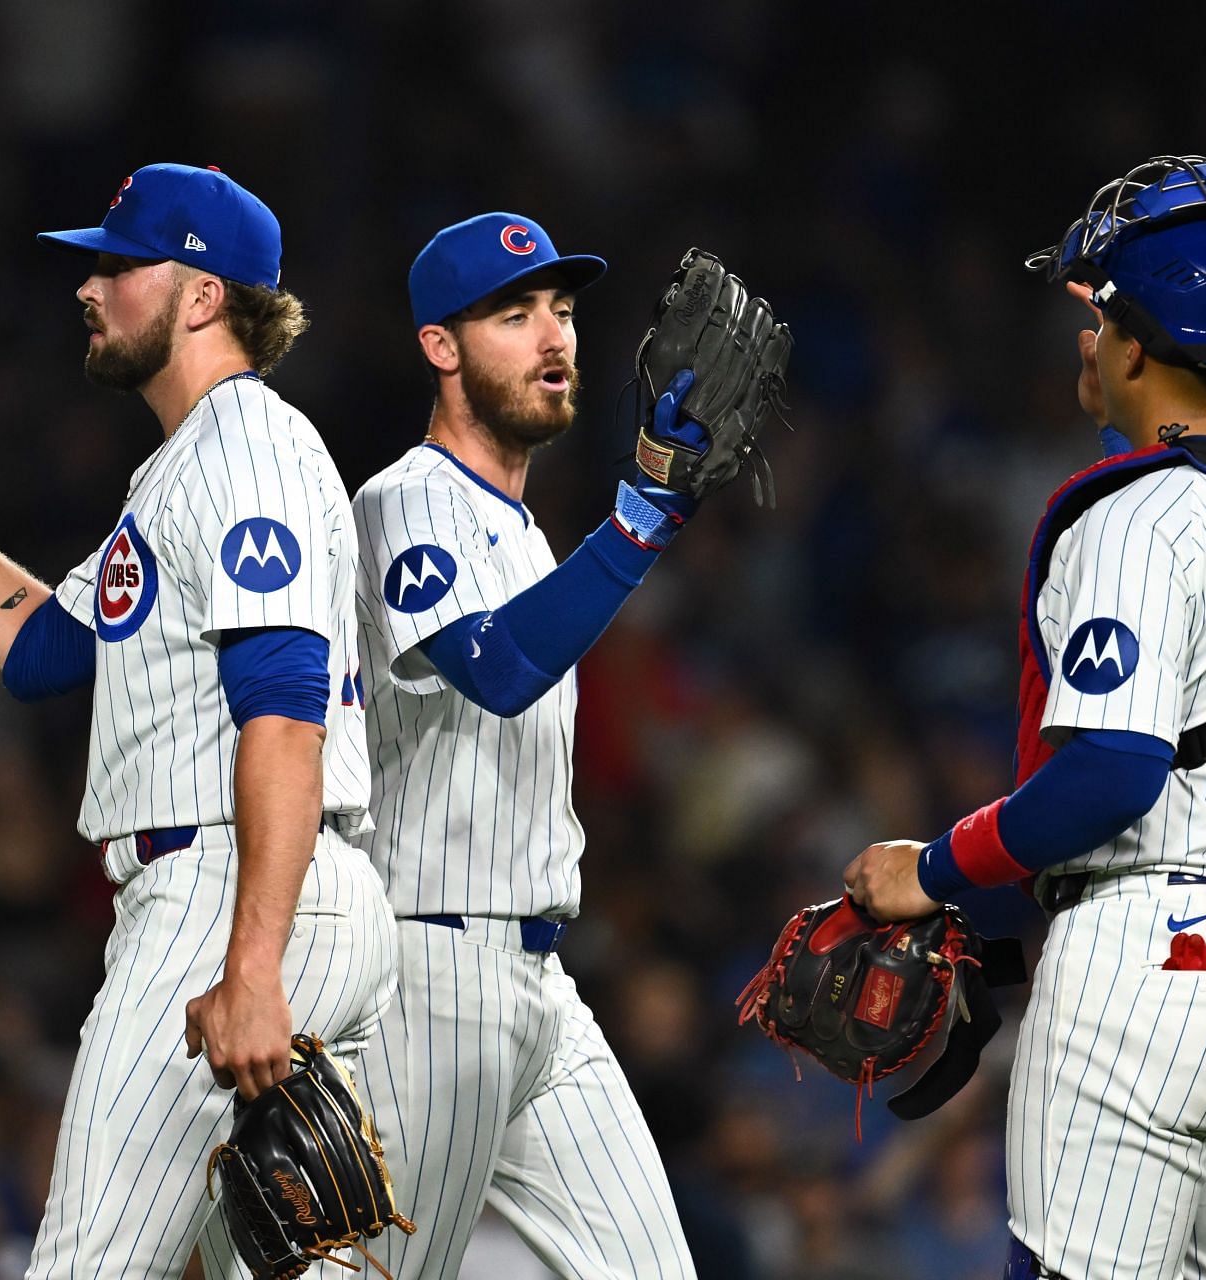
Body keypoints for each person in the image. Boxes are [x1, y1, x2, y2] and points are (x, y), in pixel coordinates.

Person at [0, 162, 395, 1276]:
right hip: (260, 891)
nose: (89, 288)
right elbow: (36, 642)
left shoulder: (246, 453)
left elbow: (285, 718)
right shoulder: (182, 470)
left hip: (231, 890)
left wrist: (251, 961)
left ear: (201, 294)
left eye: (118, 263)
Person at [841, 156, 1206, 1280]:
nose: (1085, 336)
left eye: (1099, 310)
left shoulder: (1135, 513)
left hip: (1148, 965)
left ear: (1137, 340)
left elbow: (1116, 770)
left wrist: (934, 867)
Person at [351, 212, 719, 1279]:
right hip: (427, 974)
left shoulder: (524, 529)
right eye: (512, 314)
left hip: (540, 983)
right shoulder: (405, 497)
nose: (553, 335)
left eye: (560, 309)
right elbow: (498, 668)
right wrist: (638, 522)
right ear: (440, 345)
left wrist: (633, 511)